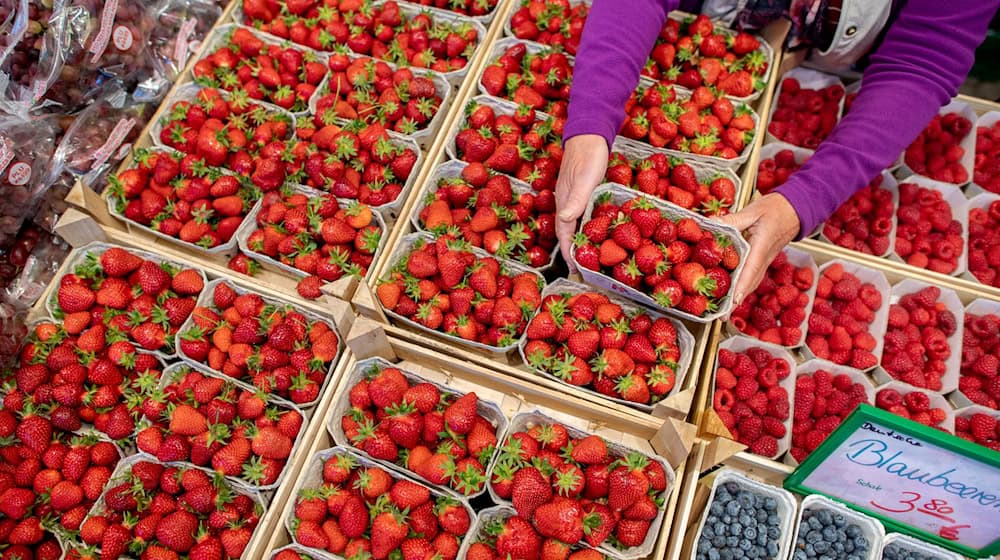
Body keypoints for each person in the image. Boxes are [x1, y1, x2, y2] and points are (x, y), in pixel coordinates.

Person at [555, 0, 999, 309]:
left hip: (832, 62)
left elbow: (925, 56)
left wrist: (808, 196)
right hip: (690, 36)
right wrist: (591, 121)